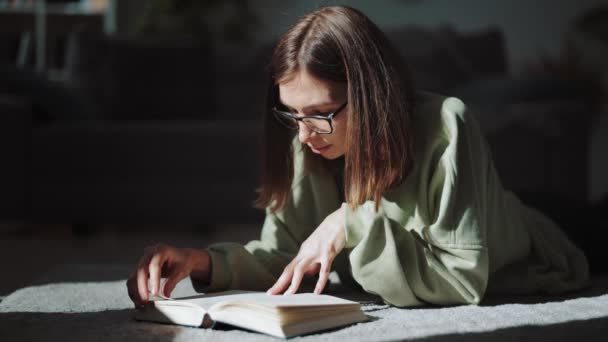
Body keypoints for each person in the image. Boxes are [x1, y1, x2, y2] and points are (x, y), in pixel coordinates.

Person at [126, 5, 589, 308]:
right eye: (292, 114)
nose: (304, 133)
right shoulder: (308, 139)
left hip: (535, 233)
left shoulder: (449, 122)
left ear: (371, 95)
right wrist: (199, 261)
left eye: (322, 113)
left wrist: (352, 221)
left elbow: (462, 278)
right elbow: (287, 256)